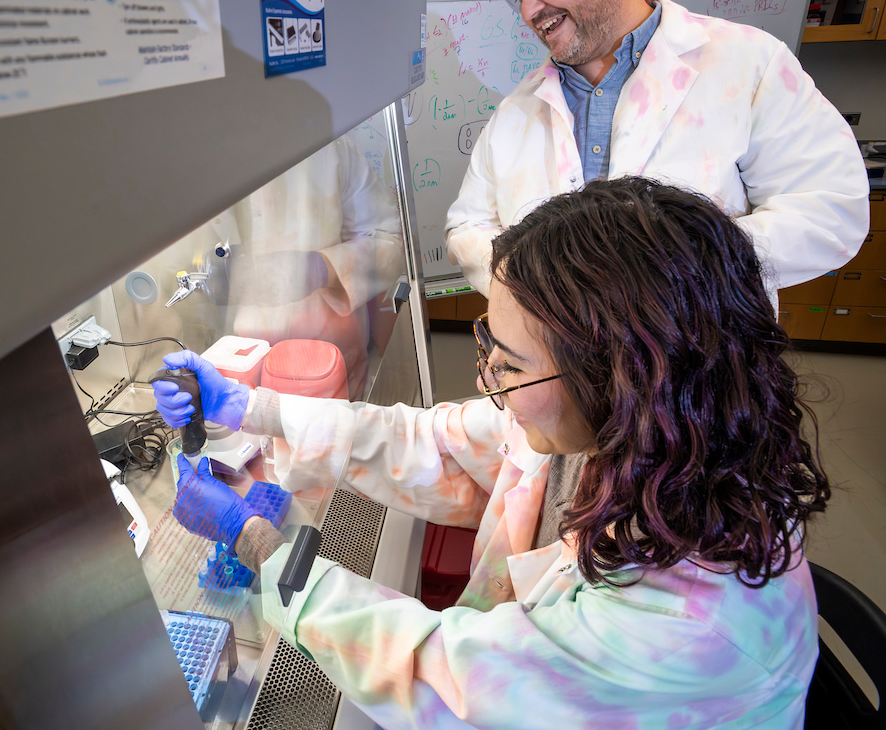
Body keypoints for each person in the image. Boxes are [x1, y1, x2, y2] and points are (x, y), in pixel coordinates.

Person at [154, 177, 830, 729]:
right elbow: (437, 443)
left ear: (618, 378)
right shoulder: (643, 428)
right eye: (489, 344)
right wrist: (253, 408)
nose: (485, 381)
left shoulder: (683, 622)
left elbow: (446, 679)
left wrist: (255, 543)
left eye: (508, 363)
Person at [444, 0, 869, 300]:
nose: (529, 11)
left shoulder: (749, 65)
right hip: (556, 360)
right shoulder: (516, 111)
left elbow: (831, 211)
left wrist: (666, 267)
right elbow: (468, 227)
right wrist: (539, 284)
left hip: (698, 360)